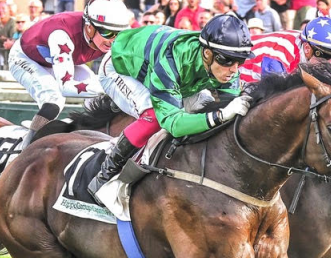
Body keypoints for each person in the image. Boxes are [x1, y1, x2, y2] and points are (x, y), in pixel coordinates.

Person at [88, 14, 255, 201]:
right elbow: (173, 123)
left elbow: (228, 109)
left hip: (168, 73)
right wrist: (220, 115)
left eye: (240, 61)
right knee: (154, 117)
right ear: (207, 54)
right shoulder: (172, 60)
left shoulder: (225, 66)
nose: (234, 69)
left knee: (206, 107)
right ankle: (104, 176)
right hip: (119, 66)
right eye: (228, 60)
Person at [8, 0, 131, 153]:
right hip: (26, 58)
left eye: (118, 34)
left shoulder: (106, 36)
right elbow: (66, 87)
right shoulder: (61, 35)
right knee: (53, 99)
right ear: (89, 27)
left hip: (61, 59)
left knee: (97, 95)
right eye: (107, 33)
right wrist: (109, 88)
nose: (113, 40)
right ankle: (25, 150)